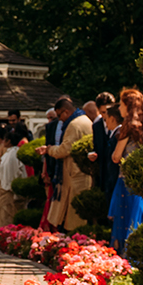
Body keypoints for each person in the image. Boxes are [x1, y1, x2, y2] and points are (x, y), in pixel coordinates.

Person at [109, 89, 143, 253]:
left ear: (128, 107)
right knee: (141, 220)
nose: (119, 108)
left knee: (124, 221)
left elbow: (116, 156)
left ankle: (125, 258)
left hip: (126, 181)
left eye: (121, 104)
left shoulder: (127, 127)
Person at [41, 96, 93, 232]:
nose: (60, 120)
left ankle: (74, 240)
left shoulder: (74, 125)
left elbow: (64, 150)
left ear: (65, 112)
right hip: (80, 173)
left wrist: (48, 149)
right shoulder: (85, 120)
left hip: (75, 174)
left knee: (73, 217)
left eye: (59, 115)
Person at [0, 125, 26, 229]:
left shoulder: (14, 154)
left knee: (8, 214)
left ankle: (8, 232)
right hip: (4, 186)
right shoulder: (8, 154)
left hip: (9, 187)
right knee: (4, 213)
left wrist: (12, 186)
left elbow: (16, 172)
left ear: (9, 141)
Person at [85, 91, 117, 202]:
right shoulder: (97, 125)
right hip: (104, 173)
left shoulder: (120, 124)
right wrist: (93, 155)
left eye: (109, 111)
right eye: (103, 112)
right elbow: (97, 147)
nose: (107, 115)